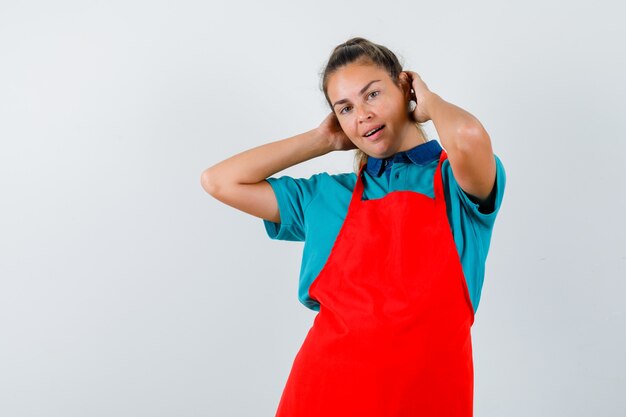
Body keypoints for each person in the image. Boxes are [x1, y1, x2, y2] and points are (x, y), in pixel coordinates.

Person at [201, 37, 506, 417]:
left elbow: (467, 136)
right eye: (345, 108)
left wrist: (429, 103)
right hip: (322, 394)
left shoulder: (456, 184)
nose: (361, 114)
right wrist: (320, 140)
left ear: (404, 87)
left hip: (426, 398)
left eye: (373, 94)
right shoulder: (326, 196)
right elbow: (220, 181)